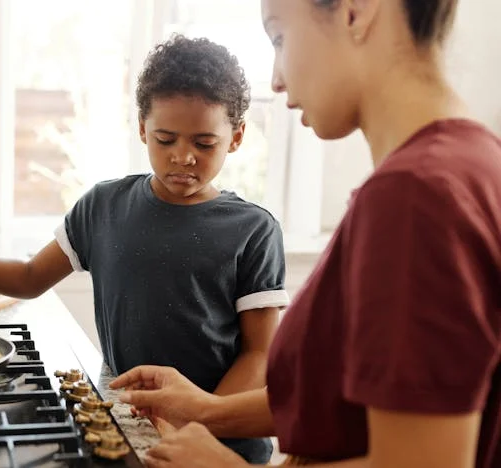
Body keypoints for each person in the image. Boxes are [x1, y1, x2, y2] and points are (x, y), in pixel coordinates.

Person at [109, 0, 501, 467]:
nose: (276, 79)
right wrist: (206, 410)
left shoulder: (413, 197)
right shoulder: (473, 160)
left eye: (279, 37)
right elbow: (352, 406)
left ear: (357, 10)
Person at [0, 34, 291, 464]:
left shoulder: (254, 230)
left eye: (204, 143)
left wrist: (197, 424)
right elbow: (29, 279)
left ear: (236, 137)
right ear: (142, 129)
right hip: (132, 424)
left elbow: (260, 353)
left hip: (219, 445)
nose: (183, 157)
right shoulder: (104, 206)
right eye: (165, 138)